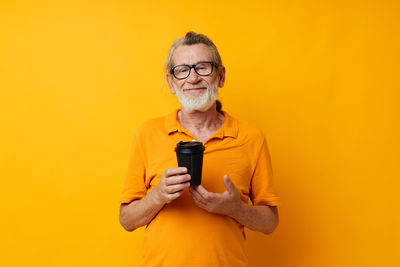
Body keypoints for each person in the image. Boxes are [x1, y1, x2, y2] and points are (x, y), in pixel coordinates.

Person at [119, 31, 280, 267]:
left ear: (221, 76)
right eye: (182, 70)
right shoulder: (147, 134)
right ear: (171, 83)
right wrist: (158, 196)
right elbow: (127, 220)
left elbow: (270, 223)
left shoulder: (251, 138)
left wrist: (236, 208)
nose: (193, 78)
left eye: (203, 67)